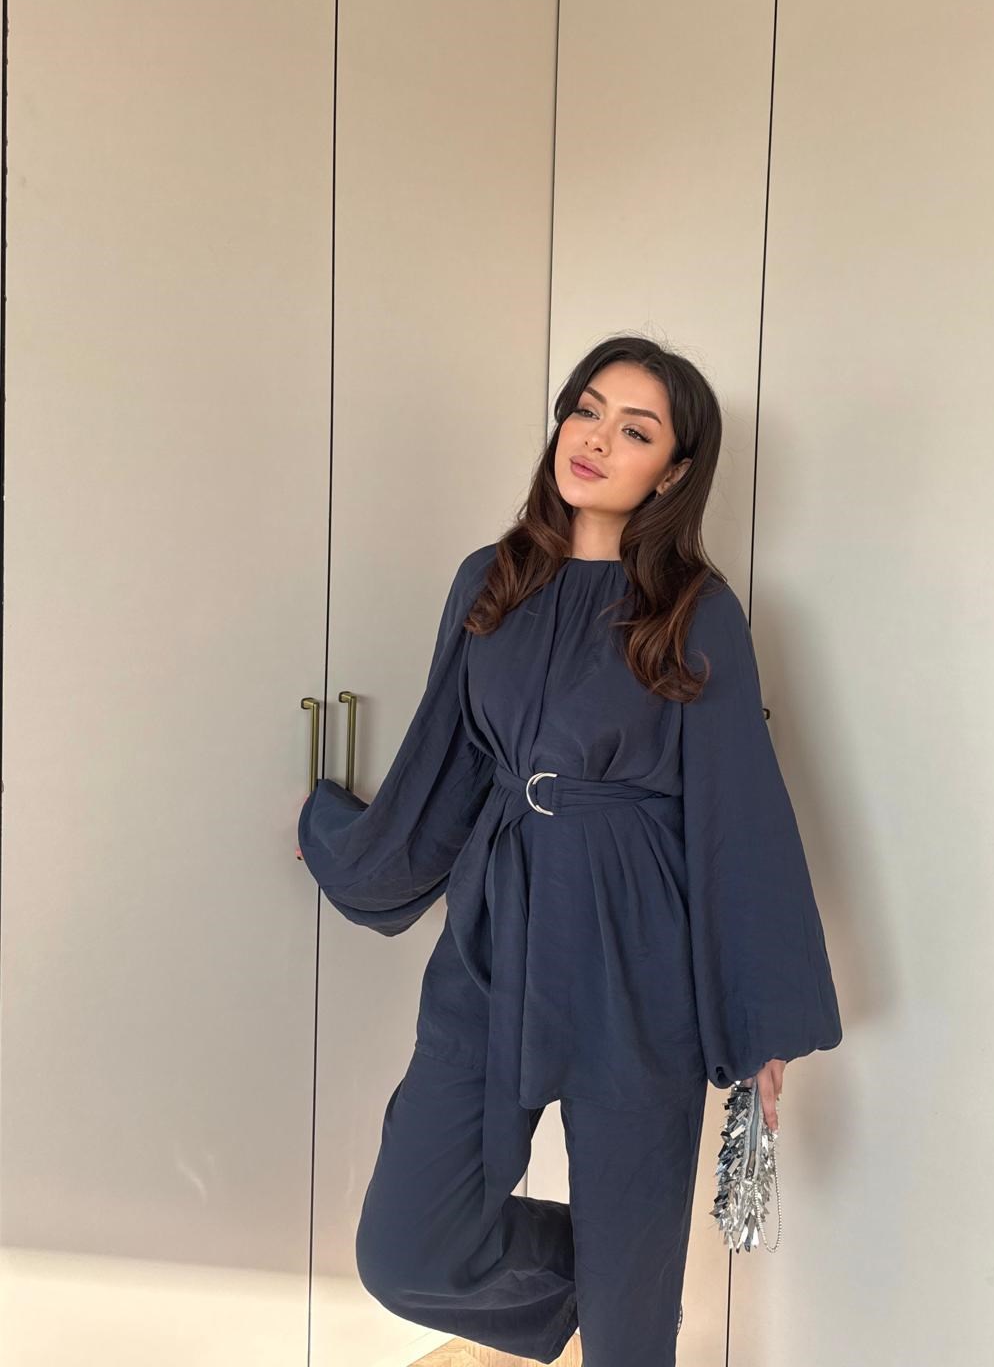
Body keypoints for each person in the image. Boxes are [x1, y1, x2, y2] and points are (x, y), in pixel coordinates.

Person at [296, 333, 843, 1367]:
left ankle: (628, 1298)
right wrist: (336, 833)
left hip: (635, 952)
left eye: (634, 430)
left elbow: (737, 812)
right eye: (586, 410)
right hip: (495, 936)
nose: (594, 439)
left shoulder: (696, 611)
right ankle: (610, 1280)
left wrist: (759, 1014)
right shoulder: (490, 580)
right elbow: (443, 763)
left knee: (631, 1300)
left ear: (671, 473)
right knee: (406, 1249)